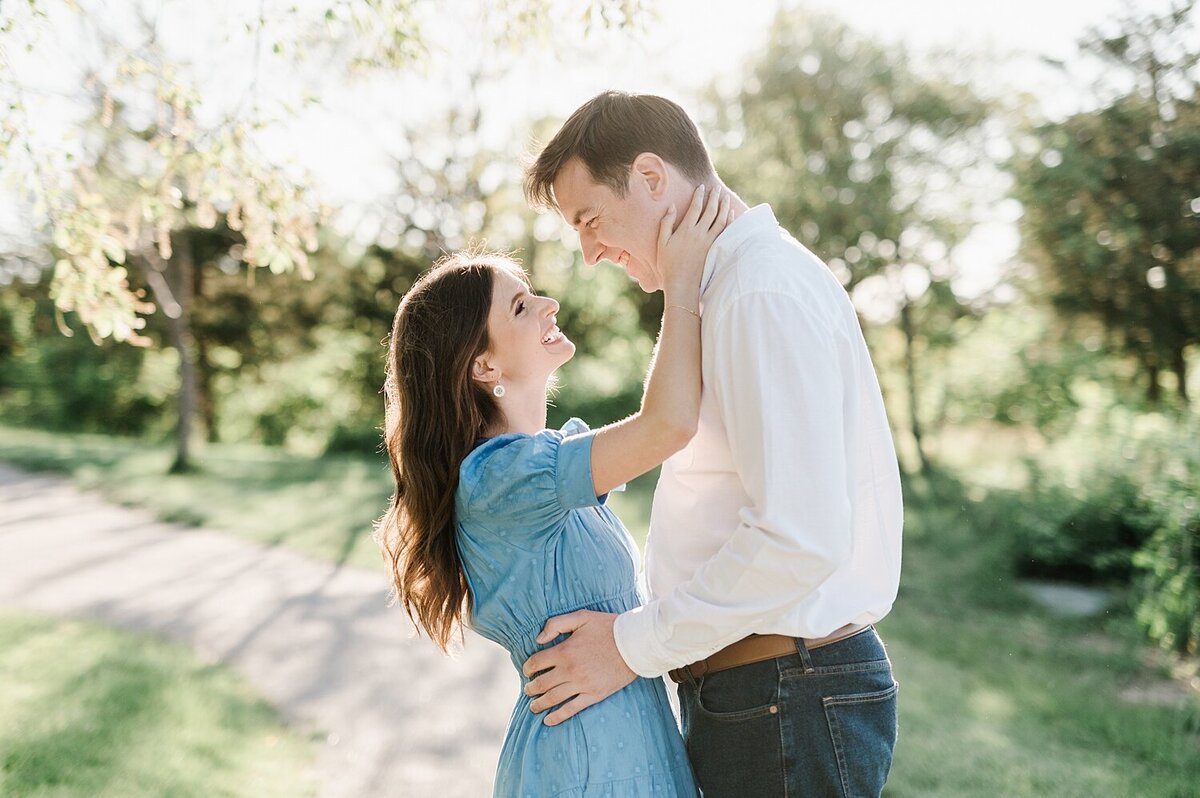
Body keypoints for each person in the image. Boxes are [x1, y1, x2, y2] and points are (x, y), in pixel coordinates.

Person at [520, 90, 904, 797]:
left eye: (591, 220)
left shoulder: (760, 292)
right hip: (764, 695)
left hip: (786, 696)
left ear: (652, 178)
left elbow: (800, 537)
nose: (592, 252)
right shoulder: (730, 287)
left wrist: (628, 648)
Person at [374, 185, 731, 796]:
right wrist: (682, 279)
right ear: (482, 366)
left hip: (623, 739)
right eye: (518, 307)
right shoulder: (504, 478)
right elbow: (668, 425)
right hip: (587, 758)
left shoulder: (539, 471)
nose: (548, 304)